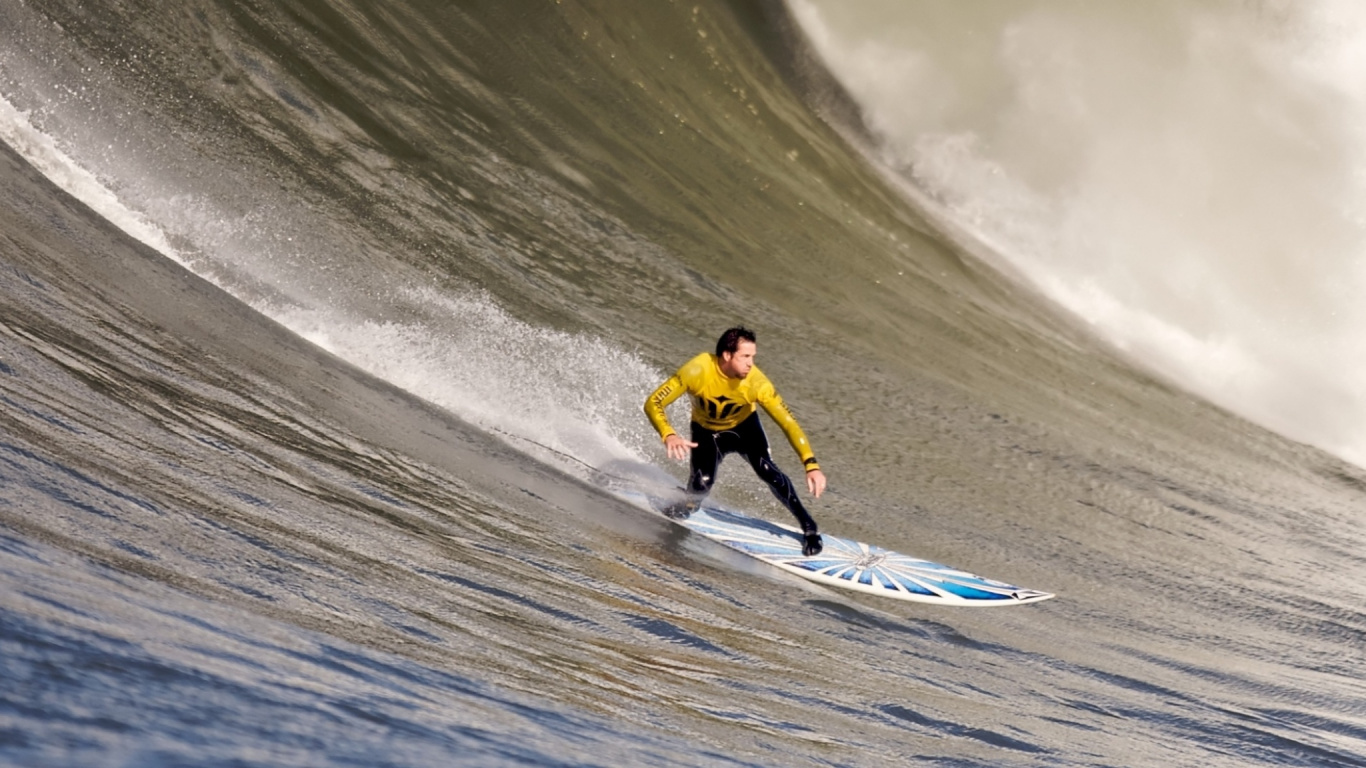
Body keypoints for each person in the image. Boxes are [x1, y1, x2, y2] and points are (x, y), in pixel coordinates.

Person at [644, 327, 828, 556]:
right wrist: (668, 434)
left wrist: (811, 465)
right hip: (706, 431)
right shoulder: (697, 370)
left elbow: (788, 423)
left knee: (768, 471)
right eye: (745, 357)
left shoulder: (757, 384)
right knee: (701, 485)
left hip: (745, 429)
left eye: (753, 357)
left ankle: (809, 526)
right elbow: (653, 402)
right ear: (727, 355)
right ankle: (689, 502)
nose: (751, 363)